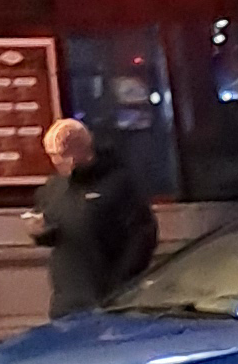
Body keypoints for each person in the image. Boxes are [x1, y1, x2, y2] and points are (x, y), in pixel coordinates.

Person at [30, 117, 157, 314]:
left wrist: (121, 282)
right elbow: (52, 228)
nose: (55, 161)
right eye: (52, 155)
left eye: (60, 155)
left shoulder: (117, 183)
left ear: (79, 150)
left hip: (109, 295)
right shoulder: (55, 187)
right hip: (67, 298)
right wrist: (39, 231)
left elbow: (143, 235)